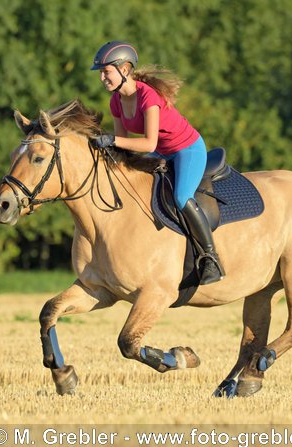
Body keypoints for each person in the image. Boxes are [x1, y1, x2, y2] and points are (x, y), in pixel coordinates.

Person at [89, 41, 225, 285]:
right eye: (101, 72)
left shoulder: (148, 97)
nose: (102, 78)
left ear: (124, 70)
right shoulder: (116, 101)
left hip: (187, 149)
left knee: (181, 197)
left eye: (105, 71)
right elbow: (124, 143)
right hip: (162, 152)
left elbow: (149, 144)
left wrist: (112, 139)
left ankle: (210, 259)